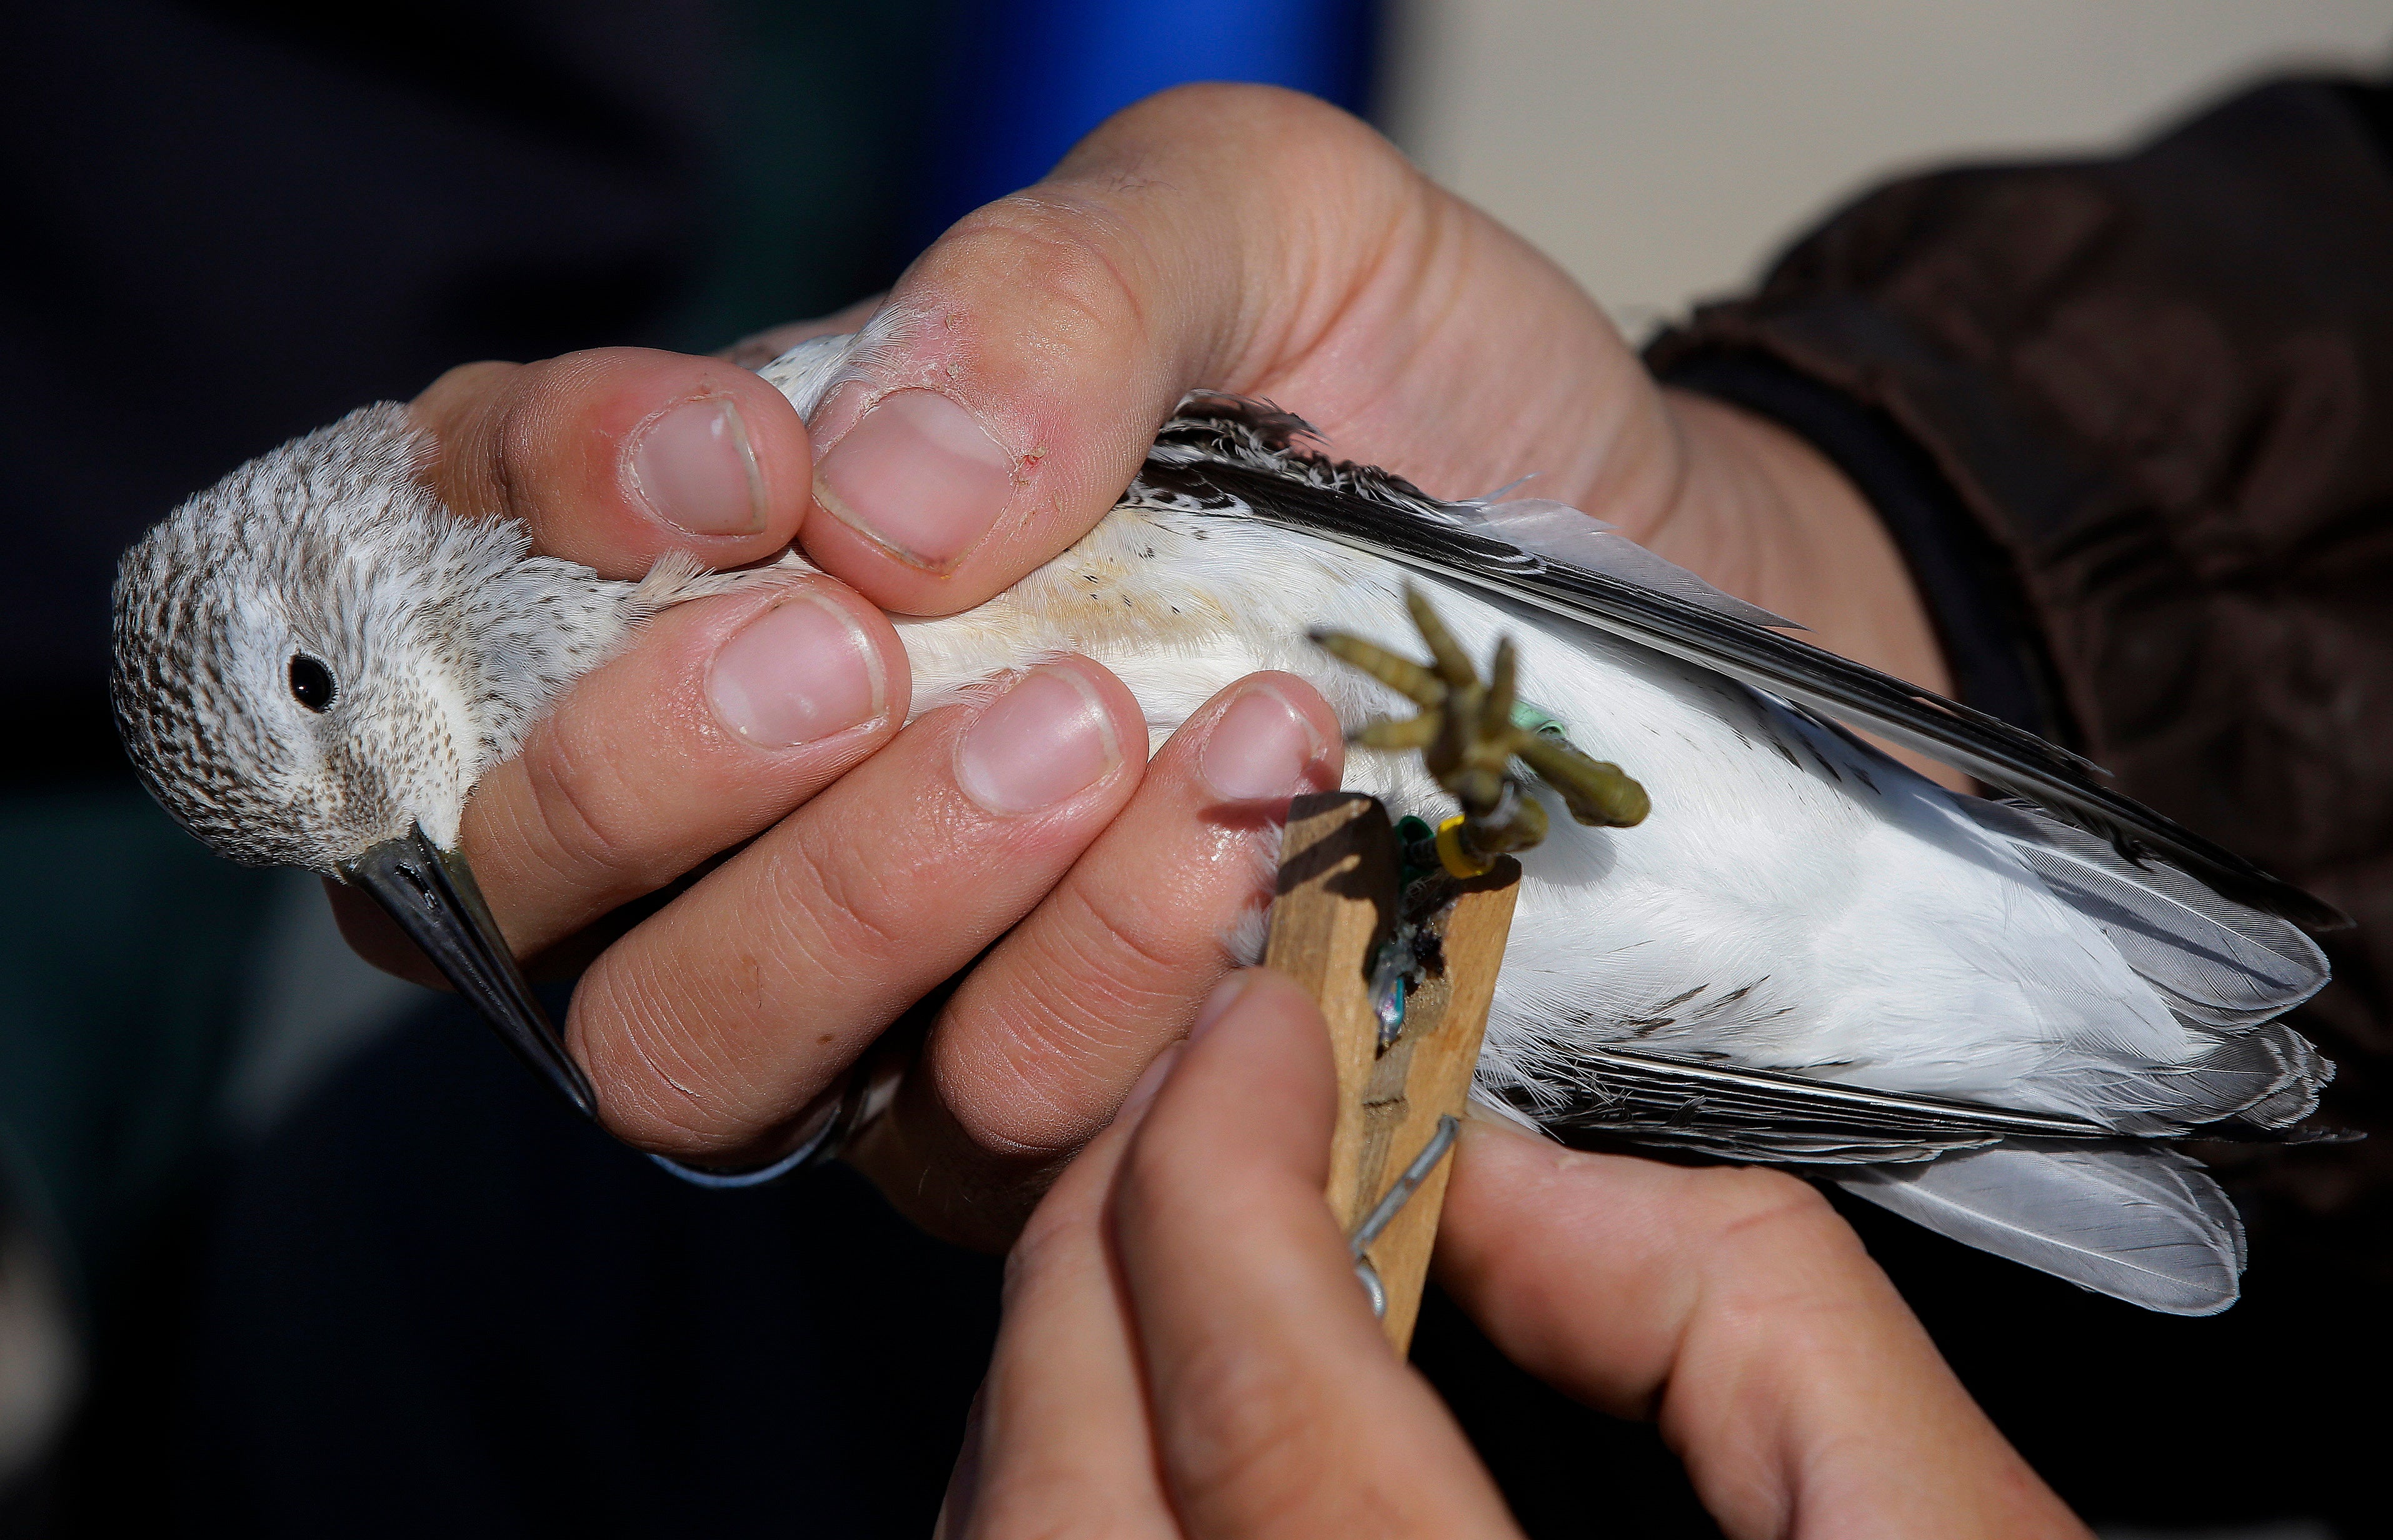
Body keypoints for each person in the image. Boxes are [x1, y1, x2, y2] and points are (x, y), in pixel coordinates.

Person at [320, 78, 2392, 1533]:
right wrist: (1846, 557)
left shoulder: (750, 442)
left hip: (1590, 741)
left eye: (315, 714)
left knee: (416, 1279)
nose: (385, 839)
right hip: (1594, 950)